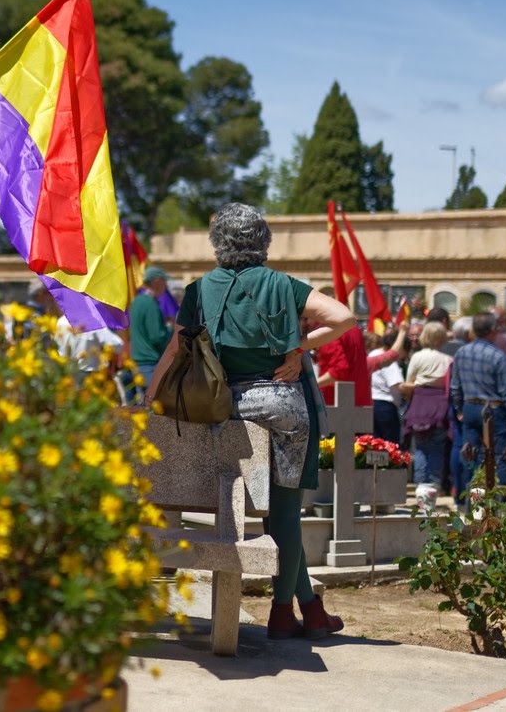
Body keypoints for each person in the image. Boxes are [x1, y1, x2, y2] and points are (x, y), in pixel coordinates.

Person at [145, 203, 355, 642]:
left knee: (263, 514)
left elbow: (173, 350)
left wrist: (150, 398)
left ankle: (310, 612)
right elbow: (343, 318)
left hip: (219, 410)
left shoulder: (199, 291)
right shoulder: (284, 285)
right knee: (285, 515)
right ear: (264, 241)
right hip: (281, 407)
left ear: (217, 242)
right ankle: (287, 613)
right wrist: (297, 348)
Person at [450, 311, 506, 491]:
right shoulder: (498, 356)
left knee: (469, 453)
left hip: (470, 406)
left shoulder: (461, 353)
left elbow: (455, 386)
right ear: (492, 330)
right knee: (499, 455)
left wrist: (459, 409)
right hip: (493, 409)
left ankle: (469, 499)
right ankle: (499, 499)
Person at [399, 321, 452, 509]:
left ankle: (421, 488)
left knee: (420, 447)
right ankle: (435, 485)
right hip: (439, 404)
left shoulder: (417, 357)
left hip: (419, 402)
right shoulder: (447, 360)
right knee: (437, 447)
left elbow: (409, 382)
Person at [125, 267, 174, 399]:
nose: (166, 286)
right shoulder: (150, 304)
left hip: (137, 361)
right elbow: (156, 337)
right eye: (165, 282)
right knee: (151, 410)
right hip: (150, 364)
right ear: (157, 282)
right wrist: (170, 328)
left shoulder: (136, 301)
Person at [367, 328, 407, 442]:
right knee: (389, 446)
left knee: (374, 445)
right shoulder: (387, 360)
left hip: (371, 403)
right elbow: (398, 385)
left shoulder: (373, 353)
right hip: (385, 406)